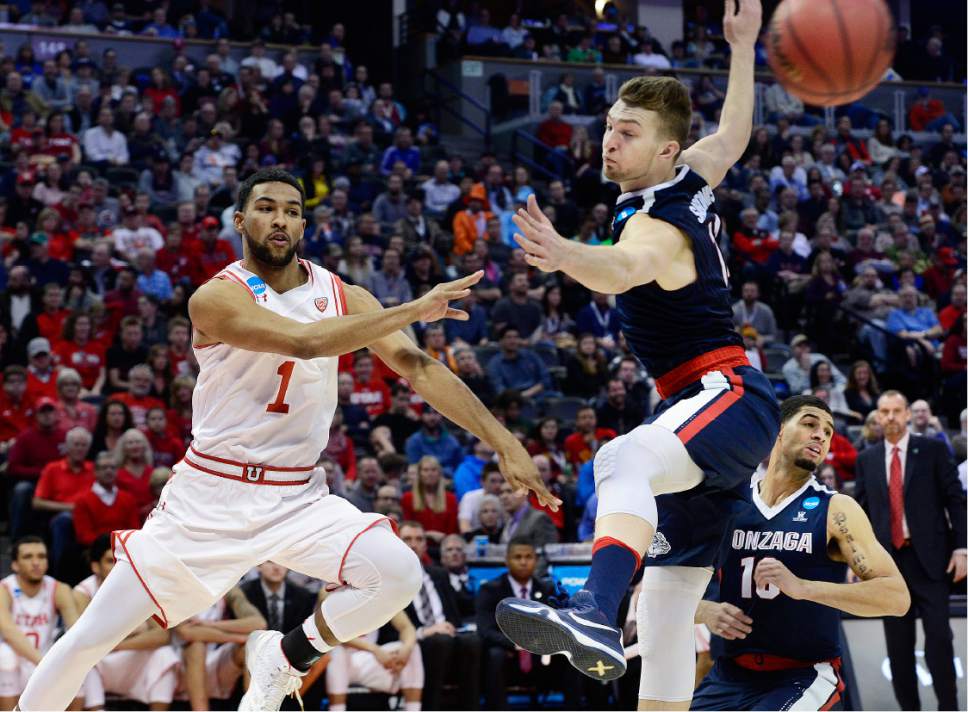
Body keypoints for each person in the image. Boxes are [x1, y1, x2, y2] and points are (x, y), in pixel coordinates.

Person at [16, 167, 555, 712]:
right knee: (88, 639)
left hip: (297, 494)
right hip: (209, 498)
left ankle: (284, 658)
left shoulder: (343, 294)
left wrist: (503, 441)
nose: (281, 219)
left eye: (293, 211)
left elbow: (417, 366)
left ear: (303, 223)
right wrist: (414, 308)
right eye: (267, 207)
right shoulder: (215, 298)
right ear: (240, 219)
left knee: (397, 573)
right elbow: (302, 343)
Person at [497, 4, 780, 706]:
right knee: (663, 619)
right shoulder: (690, 173)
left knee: (620, 460)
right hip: (710, 411)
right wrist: (742, 47)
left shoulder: (661, 223)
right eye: (608, 128)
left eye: (627, 134)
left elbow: (625, 267)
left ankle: (593, 610)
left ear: (663, 150)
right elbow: (734, 134)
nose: (609, 142)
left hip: (725, 394)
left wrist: (565, 255)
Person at [691, 395, 909, 710]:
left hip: (804, 674)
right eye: (809, 424)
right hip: (729, 674)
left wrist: (804, 588)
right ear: (778, 430)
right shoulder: (729, 504)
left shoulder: (836, 509)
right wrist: (704, 611)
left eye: (828, 431)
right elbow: (660, 590)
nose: (821, 435)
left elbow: (896, 597)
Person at [853, 391, 966, 712]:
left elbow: (954, 500)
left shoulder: (931, 450)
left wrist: (962, 547)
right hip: (888, 566)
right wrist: (855, 557)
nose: (890, 417)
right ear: (876, 416)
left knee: (940, 642)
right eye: (884, 411)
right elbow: (858, 513)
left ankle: (949, 707)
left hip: (931, 561)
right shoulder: (867, 459)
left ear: (906, 414)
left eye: (896, 411)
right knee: (899, 651)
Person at [75, 537, 180, 712]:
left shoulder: (143, 588)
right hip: (100, 660)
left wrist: (116, 643)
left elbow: (162, 635)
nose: (118, 567)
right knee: (83, 659)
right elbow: (84, 639)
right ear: (95, 566)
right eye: (110, 561)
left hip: (127, 654)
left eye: (122, 561)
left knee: (165, 655)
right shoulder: (82, 593)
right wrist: (135, 631)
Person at [477, 538, 579, 710]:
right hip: (509, 654)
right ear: (507, 560)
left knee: (571, 655)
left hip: (543, 654)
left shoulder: (547, 589)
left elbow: (560, 624)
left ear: (536, 560)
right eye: (517, 557)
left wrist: (542, 643)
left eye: (528, 557)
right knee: (495, 655)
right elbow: (485, 630)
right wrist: (515, 643)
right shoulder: (490, 589)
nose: (523, 562)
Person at [398, 521, 481, 711]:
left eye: (419, 539)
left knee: (473, 641)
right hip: (419, 638)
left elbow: (458, 611)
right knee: (441, 641)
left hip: (448, 634)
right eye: (407, 539)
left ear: (426, 545)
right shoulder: (390, 579)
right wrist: (427, 631)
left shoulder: (439, 574)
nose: (413, 544)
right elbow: (390, 629)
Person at [0, 537, 80, 709]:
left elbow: (75, 629)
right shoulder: (4, 588)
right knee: (4, 655)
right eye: (28, 557)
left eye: (41, 556)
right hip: (19, 663)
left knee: (79, 664)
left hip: (45, 657)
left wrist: (61, 664)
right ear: (14, 564)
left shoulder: (60, 588)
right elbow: (8, 631)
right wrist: (44, 665)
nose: (36, 562)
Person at [325, 608, 424, 711]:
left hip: (370, 660)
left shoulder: (382, 594)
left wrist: (406, 648)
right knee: (337, 650)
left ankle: (413, 709)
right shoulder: (328, 592)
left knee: (412, 648)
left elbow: (407, 627)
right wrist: (374, 650)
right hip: (337, 662)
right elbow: (329, 631)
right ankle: (336, 709)